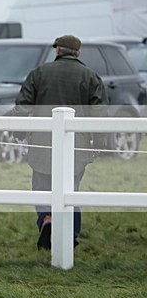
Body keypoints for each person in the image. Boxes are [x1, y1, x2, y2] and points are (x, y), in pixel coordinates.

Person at [7, 35, 108, 250]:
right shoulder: (91, 77)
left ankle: (47, 219)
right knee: (71, 190)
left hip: (43, 143)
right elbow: (99, 114)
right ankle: (70, 235)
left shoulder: (39, 73)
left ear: (57, 51)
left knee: (42, 188)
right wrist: (98, 143)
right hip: (77, 145)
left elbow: (22, 107)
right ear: (78, 53)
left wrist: (18, 132)